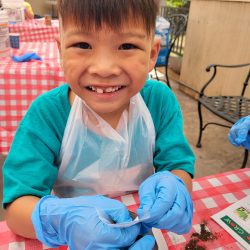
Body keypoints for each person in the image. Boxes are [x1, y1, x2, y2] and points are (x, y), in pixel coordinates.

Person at [2, 0, 195, 249]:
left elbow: (178, 167)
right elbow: (17, 209)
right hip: (73, 236)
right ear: (61, 51)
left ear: (151, 54)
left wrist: (176, 186)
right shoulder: (47, 115)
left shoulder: (159, 102)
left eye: (126, 45)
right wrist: (62, 221)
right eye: (83, 45)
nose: (104, 68)